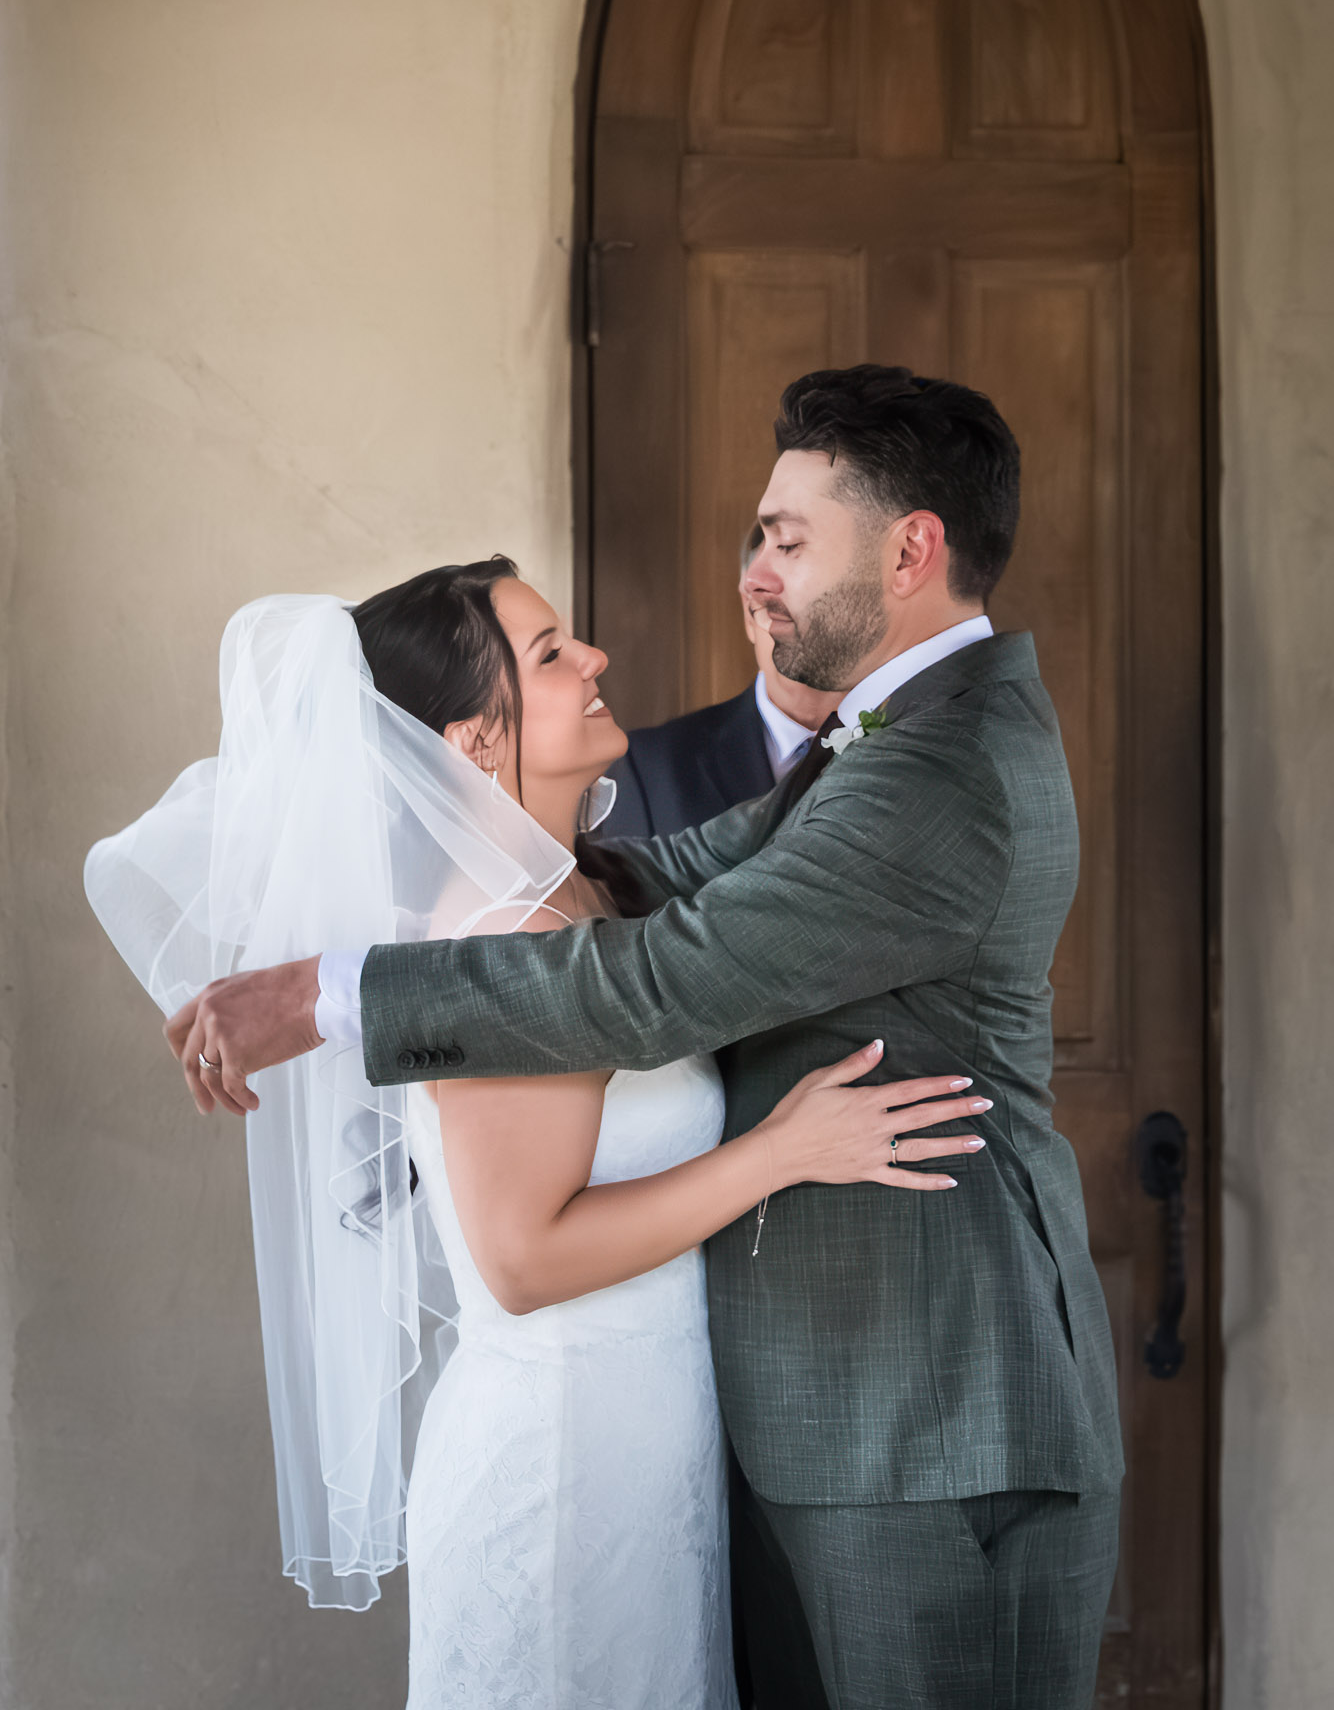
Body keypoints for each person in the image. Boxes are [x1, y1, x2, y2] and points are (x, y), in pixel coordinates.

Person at [166, 365, 1125, 1710]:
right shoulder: (888, 743)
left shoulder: (939, 770)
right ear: (474, 737)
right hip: (745, 1433)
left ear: (908, 550)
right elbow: (678, 885)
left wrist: (336, 994)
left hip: (933, 1413)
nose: (758, 571)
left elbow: (667, 974)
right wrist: (465, 922)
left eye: (789, 537)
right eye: (552, 650)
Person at [86, 561, 986, 1710]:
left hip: (638, 1438)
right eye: (550, 653)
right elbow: (522, 1259)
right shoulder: (504, 930)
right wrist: (779, 1150)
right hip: (563, 1463)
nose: (594, 659)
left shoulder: (587, 893)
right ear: (468, 736)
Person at [600, 526, 841, 839]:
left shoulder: (910, 741)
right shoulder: (649, 765)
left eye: (815, 598)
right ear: (748, 614)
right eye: (775, 603)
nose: (794, 624)